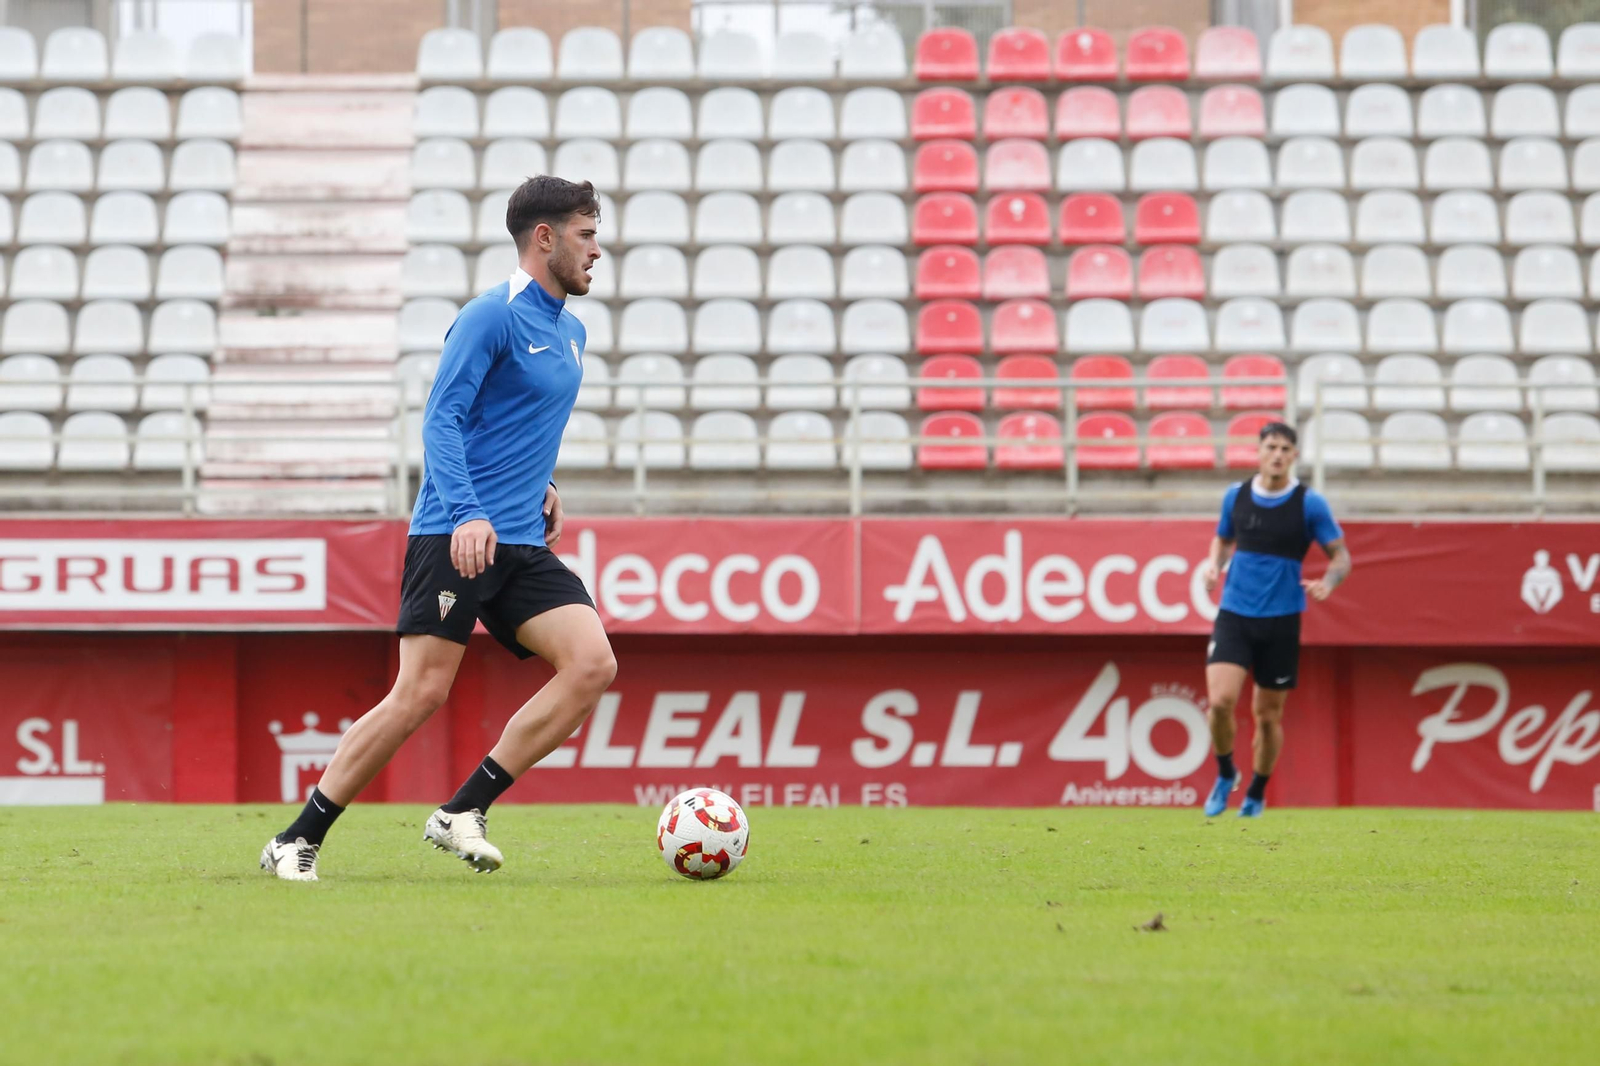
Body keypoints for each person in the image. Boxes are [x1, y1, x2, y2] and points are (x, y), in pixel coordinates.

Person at [261, 175, 615, 881]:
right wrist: (468, 511)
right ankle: (295, 841)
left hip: (518, 541)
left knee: (592, 664)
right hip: (457, 533)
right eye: (586, 234)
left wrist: (543, 485)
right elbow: (441, 418)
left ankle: (463, 811)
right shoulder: (491, 315)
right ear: (543, 239)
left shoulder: (571, 330)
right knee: (420, 694)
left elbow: (512, 424)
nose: (597, 250)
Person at [1198, 421, 1351, 819]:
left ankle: (1256, 793)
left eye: (1285, 448)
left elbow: (1341, 556)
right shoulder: (1236, 497)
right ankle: (1225, 771)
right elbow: (1223, 538)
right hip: (1235, 613)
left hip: (1281, 620)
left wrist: (1329, 583)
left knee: (1267, 717)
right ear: (1259, 451)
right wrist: (1213, 565)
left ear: (1294, 455)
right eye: (1271, 447)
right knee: (1219, 702)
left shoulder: (1308, 504)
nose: (1278, 454)